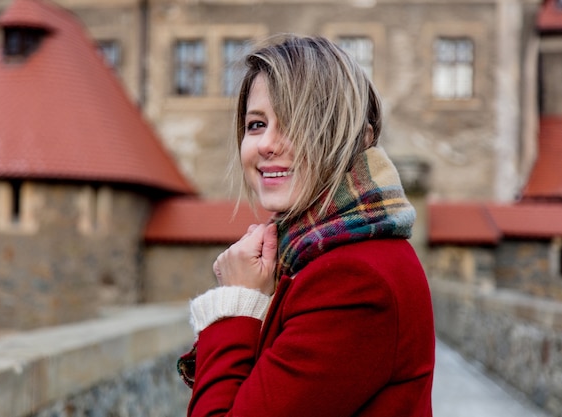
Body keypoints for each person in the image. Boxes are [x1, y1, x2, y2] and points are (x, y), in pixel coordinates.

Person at [177, 34, 435, 417]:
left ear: (341, 136)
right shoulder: (316, 253)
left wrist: (233, 304)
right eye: (256, 124)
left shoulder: (355, 280)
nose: (266, 143)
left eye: (295, 123)